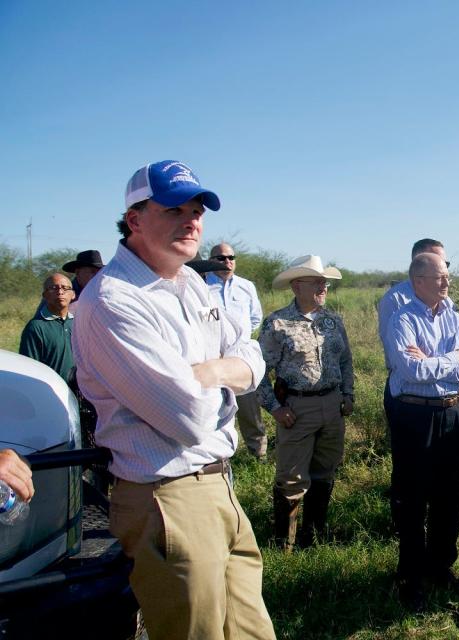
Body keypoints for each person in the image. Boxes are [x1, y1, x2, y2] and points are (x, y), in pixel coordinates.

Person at [71, 160, 276, 639]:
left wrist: (212, 372)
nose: (192, 221)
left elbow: (252, 351)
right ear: (135, 219)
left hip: (219, 485)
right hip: (169, 498)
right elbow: (187, 416)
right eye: (175, 209)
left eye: (198, 210)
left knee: (252, 632)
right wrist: (228, 379)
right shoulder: (112, 301)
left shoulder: (189, 285)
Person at [385, 252, 459, 611]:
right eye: (440, 277)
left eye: (447, 277)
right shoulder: (402, 320)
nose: (447, 282)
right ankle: (411, 577)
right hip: (415, 414)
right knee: (412, 496)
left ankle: (441, 567)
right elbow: (411, 371)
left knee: (449, 494)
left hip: (452, 413)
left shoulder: (455, 319)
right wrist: (453, 359)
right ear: (418, 281)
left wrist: (438, 362)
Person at [258, 255, 354, 550]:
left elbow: (346, 361)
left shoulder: (333, 321)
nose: (323, 286)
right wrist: (275, 408)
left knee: (325, 471)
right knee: (291, 478)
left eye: (325, 281)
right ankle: (282, 544)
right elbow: (257, 372)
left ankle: (312, 537)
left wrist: (348, 394)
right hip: (297, 409)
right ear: (297, 286)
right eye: (317, 281)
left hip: (332, 406)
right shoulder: (277, 324)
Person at [376, 239, 447, 521]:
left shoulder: (445, 300)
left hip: (440, 396)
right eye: (437, 266)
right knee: (408, 463)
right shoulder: (395, 299)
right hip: (406, 394)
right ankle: (404, 522)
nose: (444, 275)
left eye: (446, 267)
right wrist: (448, 359)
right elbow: (402, 357)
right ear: (418, 266)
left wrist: (432, 359)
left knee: (439, 465)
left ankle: (430, 518)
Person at [207, 242, 268, 460]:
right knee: (214, 410)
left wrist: (239, 340)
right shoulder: (201, 286)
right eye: (221, 258)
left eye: (231, 257)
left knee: (250, 411)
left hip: (241, 359)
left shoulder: (246, 286)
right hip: (212, 360)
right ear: (210, 260)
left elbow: (255, 317)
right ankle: (219, 457)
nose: (227, 262)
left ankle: (258, 454)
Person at [19, 273, 75, 382]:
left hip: (78, 394)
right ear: (45, 295)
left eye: (65, 288)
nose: (60, 292)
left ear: (73, 294)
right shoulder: (36, 327)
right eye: (54, 288)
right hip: (50, 393)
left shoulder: (77, 323)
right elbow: (29, 369)